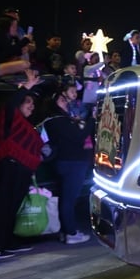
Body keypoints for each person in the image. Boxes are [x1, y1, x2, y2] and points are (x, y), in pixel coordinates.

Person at [0, 69, 45, 260]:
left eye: (33, 103)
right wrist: (27, 87)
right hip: (9, 166)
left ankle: (7, 242)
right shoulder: (8, 117)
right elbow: (11, 104)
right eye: (27, 102)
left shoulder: (23, 124)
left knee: (12, 207)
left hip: (20, 169)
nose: (31, 106)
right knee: (2, 207)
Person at [43, 87, 96, 244]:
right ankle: (71, 232)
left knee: (66, 197)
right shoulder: (58, 121)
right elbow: (79, 136)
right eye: (61, 100)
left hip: (65, 161)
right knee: (69, 199)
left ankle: (66, 231)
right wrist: (91, 120)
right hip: (73, 163)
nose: (65, 102)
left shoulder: (56, 120)